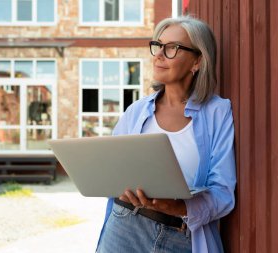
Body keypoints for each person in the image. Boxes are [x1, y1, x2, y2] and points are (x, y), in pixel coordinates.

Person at [96, 16, 236, 253]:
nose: (159, 55)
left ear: (198, 61)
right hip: (125, 229)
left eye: (172, 48)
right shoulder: (136, 112)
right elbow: (112, 172)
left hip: (181, 237)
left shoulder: (218, 113)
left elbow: (222, 193)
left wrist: (178, 207)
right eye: (158, 46)